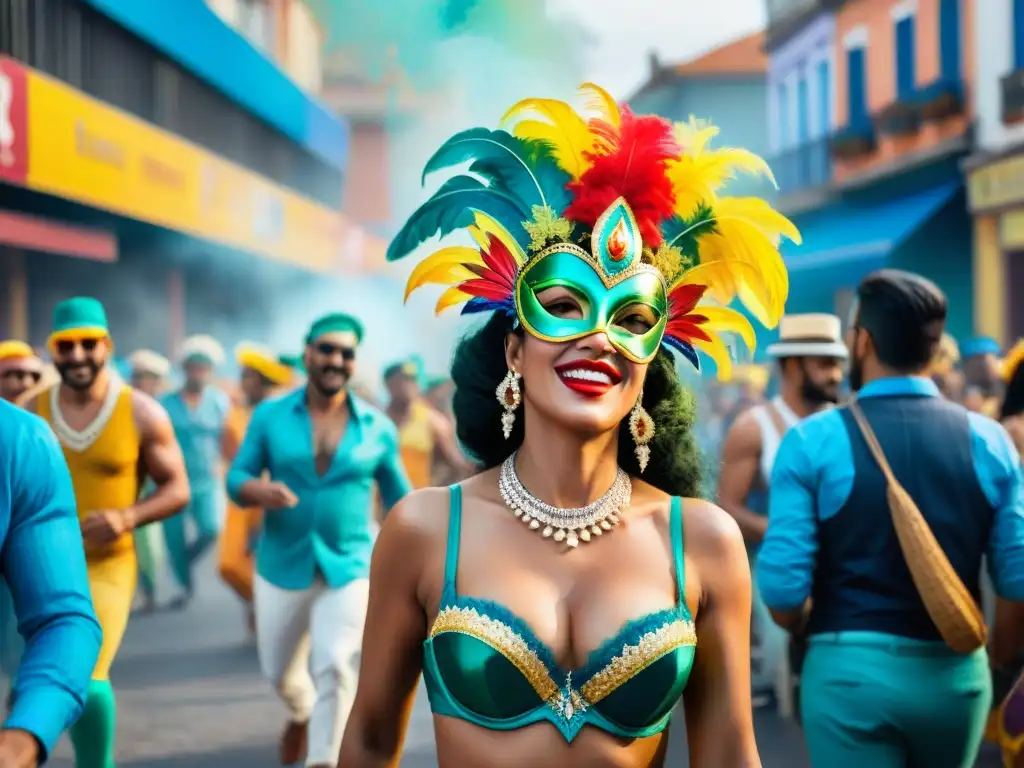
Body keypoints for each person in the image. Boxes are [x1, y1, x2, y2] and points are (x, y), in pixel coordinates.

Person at [339, 84, 798, 766]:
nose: (600, 340)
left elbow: (730, 754)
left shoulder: (701, 540)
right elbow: (373, 740)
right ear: (515, 351)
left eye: (633, 321)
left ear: (651, 364)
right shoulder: (425, 530)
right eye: (562, 305)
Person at [758, 270, 1024, 767]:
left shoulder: (813, 441)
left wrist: (803, 631)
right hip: (956, 680)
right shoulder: (990, 441)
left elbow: (782, 594)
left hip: (848, 678)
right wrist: (996, 661)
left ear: (862, 341)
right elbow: (1017, 578)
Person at [226, 314, 412, 768]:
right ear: (308, 353)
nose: (335, 360)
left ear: (354, 362)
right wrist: (257, 491)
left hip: (349, 565)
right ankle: (300, 711)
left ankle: (323, 760)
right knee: (278, 672)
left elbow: (402, 501)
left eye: (346, 353)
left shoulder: (377, 428)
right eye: (326, 350)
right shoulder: (270, 416)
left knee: (335, 662)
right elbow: (237, 477)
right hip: (279, 565)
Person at [26, 297, 190, 767]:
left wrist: (127, 517)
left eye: (88, 344)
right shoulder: (28, 411)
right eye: (66, 345)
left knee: (87, 667)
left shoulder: (141, 412)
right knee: (29, 674)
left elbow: (177, 489)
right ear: (52, 351)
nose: (77, 355)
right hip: (35, 563)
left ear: (107, 346)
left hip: (107, 566)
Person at [717, 313, 846, 705]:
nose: (836, 375)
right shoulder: (754, 426)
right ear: (792, 365)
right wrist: (783, 532)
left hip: (840, 568)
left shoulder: (846, 423)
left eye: (837, 363)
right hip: (777, 563)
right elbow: (726, 507)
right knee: (781, 663)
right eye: (824, 364)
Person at [0, 398, 103, 767]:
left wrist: (24, 736)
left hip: (94, 550)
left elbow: (62, 620)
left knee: (98, 684)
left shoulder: (19, 439)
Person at [218, 343, 298, 641]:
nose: (242, 381)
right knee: (231, 563)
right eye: (242, 376)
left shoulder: (284, 413)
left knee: (267, 558)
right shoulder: (234, 415)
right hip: (244, 501)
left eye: (248, 376)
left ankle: (270, 615)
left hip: (277, 499)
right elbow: (230, 459)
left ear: (262, 380)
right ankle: (254, 603)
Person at [161, 334, 230, 608]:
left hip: (206, 479)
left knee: (212, 528)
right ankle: (184, 586)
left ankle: (185, 559)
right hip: (171, 479)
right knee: (174, 535)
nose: (199, 372)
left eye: (205, 367)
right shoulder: (166, 403)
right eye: (194, 366)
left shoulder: (220, 402)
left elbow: (228, 439)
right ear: (185, 369)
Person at [127, 349, 172, 613]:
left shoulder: (160, 408)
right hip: (125, 483)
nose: (152, 384)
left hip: (150, 486)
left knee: (149, 546)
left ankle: (149, 591)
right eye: (147, 377)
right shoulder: (124, 404)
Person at [383, 359, 473, 488]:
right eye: (404, 380)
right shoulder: (376, 422)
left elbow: (457, 466)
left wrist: (433, 493)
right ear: (389, 384)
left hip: (416, 502)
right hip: (382, 505)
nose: (410, 385)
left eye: (413, 379)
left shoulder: (432, 422)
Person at [961, 336, 1003, 417]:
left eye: (996, 358)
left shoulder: (999, 385)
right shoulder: (971, 390)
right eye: (991, 360)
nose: (997, 364)